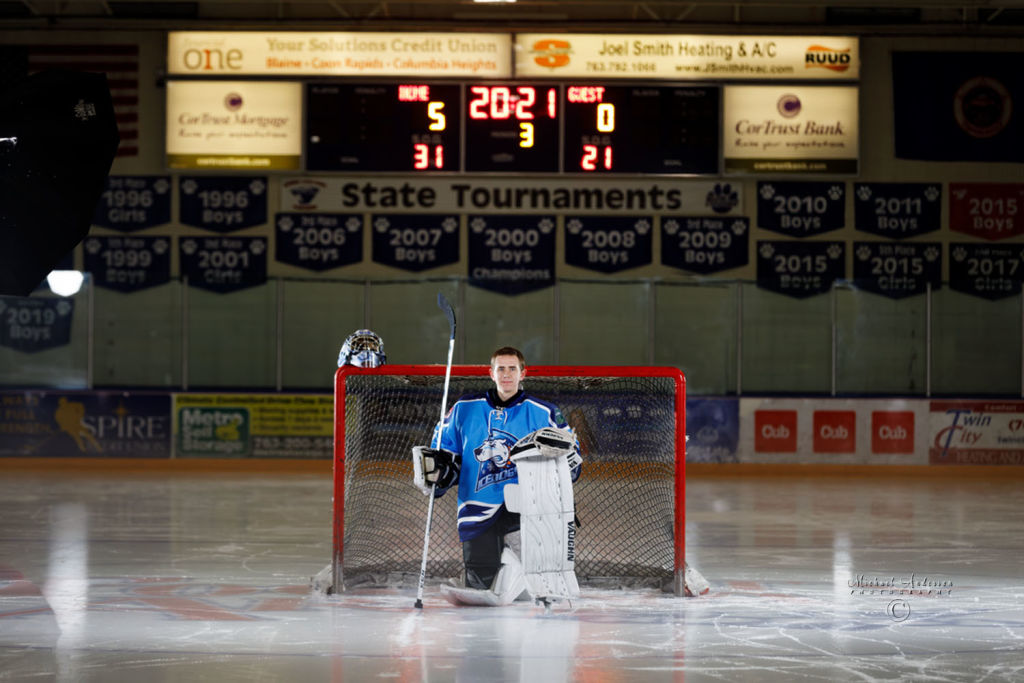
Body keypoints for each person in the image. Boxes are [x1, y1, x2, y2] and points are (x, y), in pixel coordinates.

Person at [415, 346, 581, 592]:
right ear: (491, 373)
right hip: (477, 507)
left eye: (512, 369)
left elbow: (573, 462)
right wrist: (440, 473)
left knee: (536, 581)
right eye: (500, 368)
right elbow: (445, 453)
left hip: (527, 507)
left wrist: (565, 461)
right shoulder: (463, 408)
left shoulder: (544, 412)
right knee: (480, 580)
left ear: (523, 374)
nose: (506, 374)